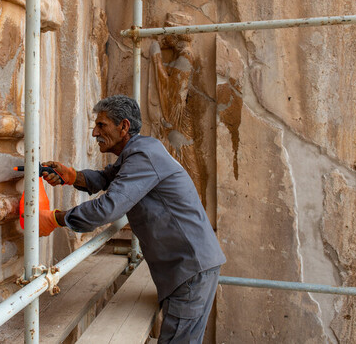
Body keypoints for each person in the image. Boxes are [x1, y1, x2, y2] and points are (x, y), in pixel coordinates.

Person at [39, 95, 226, 343]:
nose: (94, 133)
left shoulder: (143, 156)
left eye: (101, 125)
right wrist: (71, 176)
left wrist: (56, 219)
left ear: (124, 126)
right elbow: (105, 178)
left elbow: (108, 208)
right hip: (186, 266)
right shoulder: (140, 151)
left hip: (190, 268)